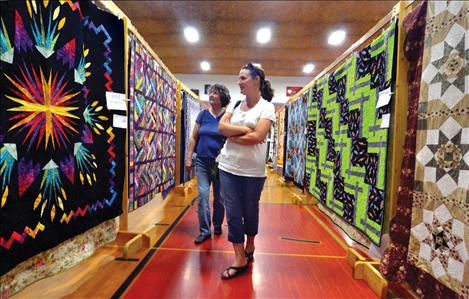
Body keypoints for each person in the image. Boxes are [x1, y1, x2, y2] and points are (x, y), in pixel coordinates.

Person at [217, 62, 276, 279]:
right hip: (228, 167)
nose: (239, 82)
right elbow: (221, 128)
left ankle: (250, 246)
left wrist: (233, 134)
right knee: (233, 212)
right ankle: (239, 257)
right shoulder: (234, 104)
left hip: (253, 172)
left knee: (250, 211)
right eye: (239, 78)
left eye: (243, 78)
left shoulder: (267, 107)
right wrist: (243, 129)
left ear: (256, 80)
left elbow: (258, 137)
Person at [186, 84, 231, 244]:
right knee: (203, 196)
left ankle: (217, 224)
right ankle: (205, 230)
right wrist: (189, 156)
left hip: (220, 164)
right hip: (203, 162)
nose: (211, 95)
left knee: (219, 198)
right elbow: (193, 137)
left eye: (215, 93)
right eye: (210, 92)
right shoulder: (203, 114)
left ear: (222, 97)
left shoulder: (227, 116)